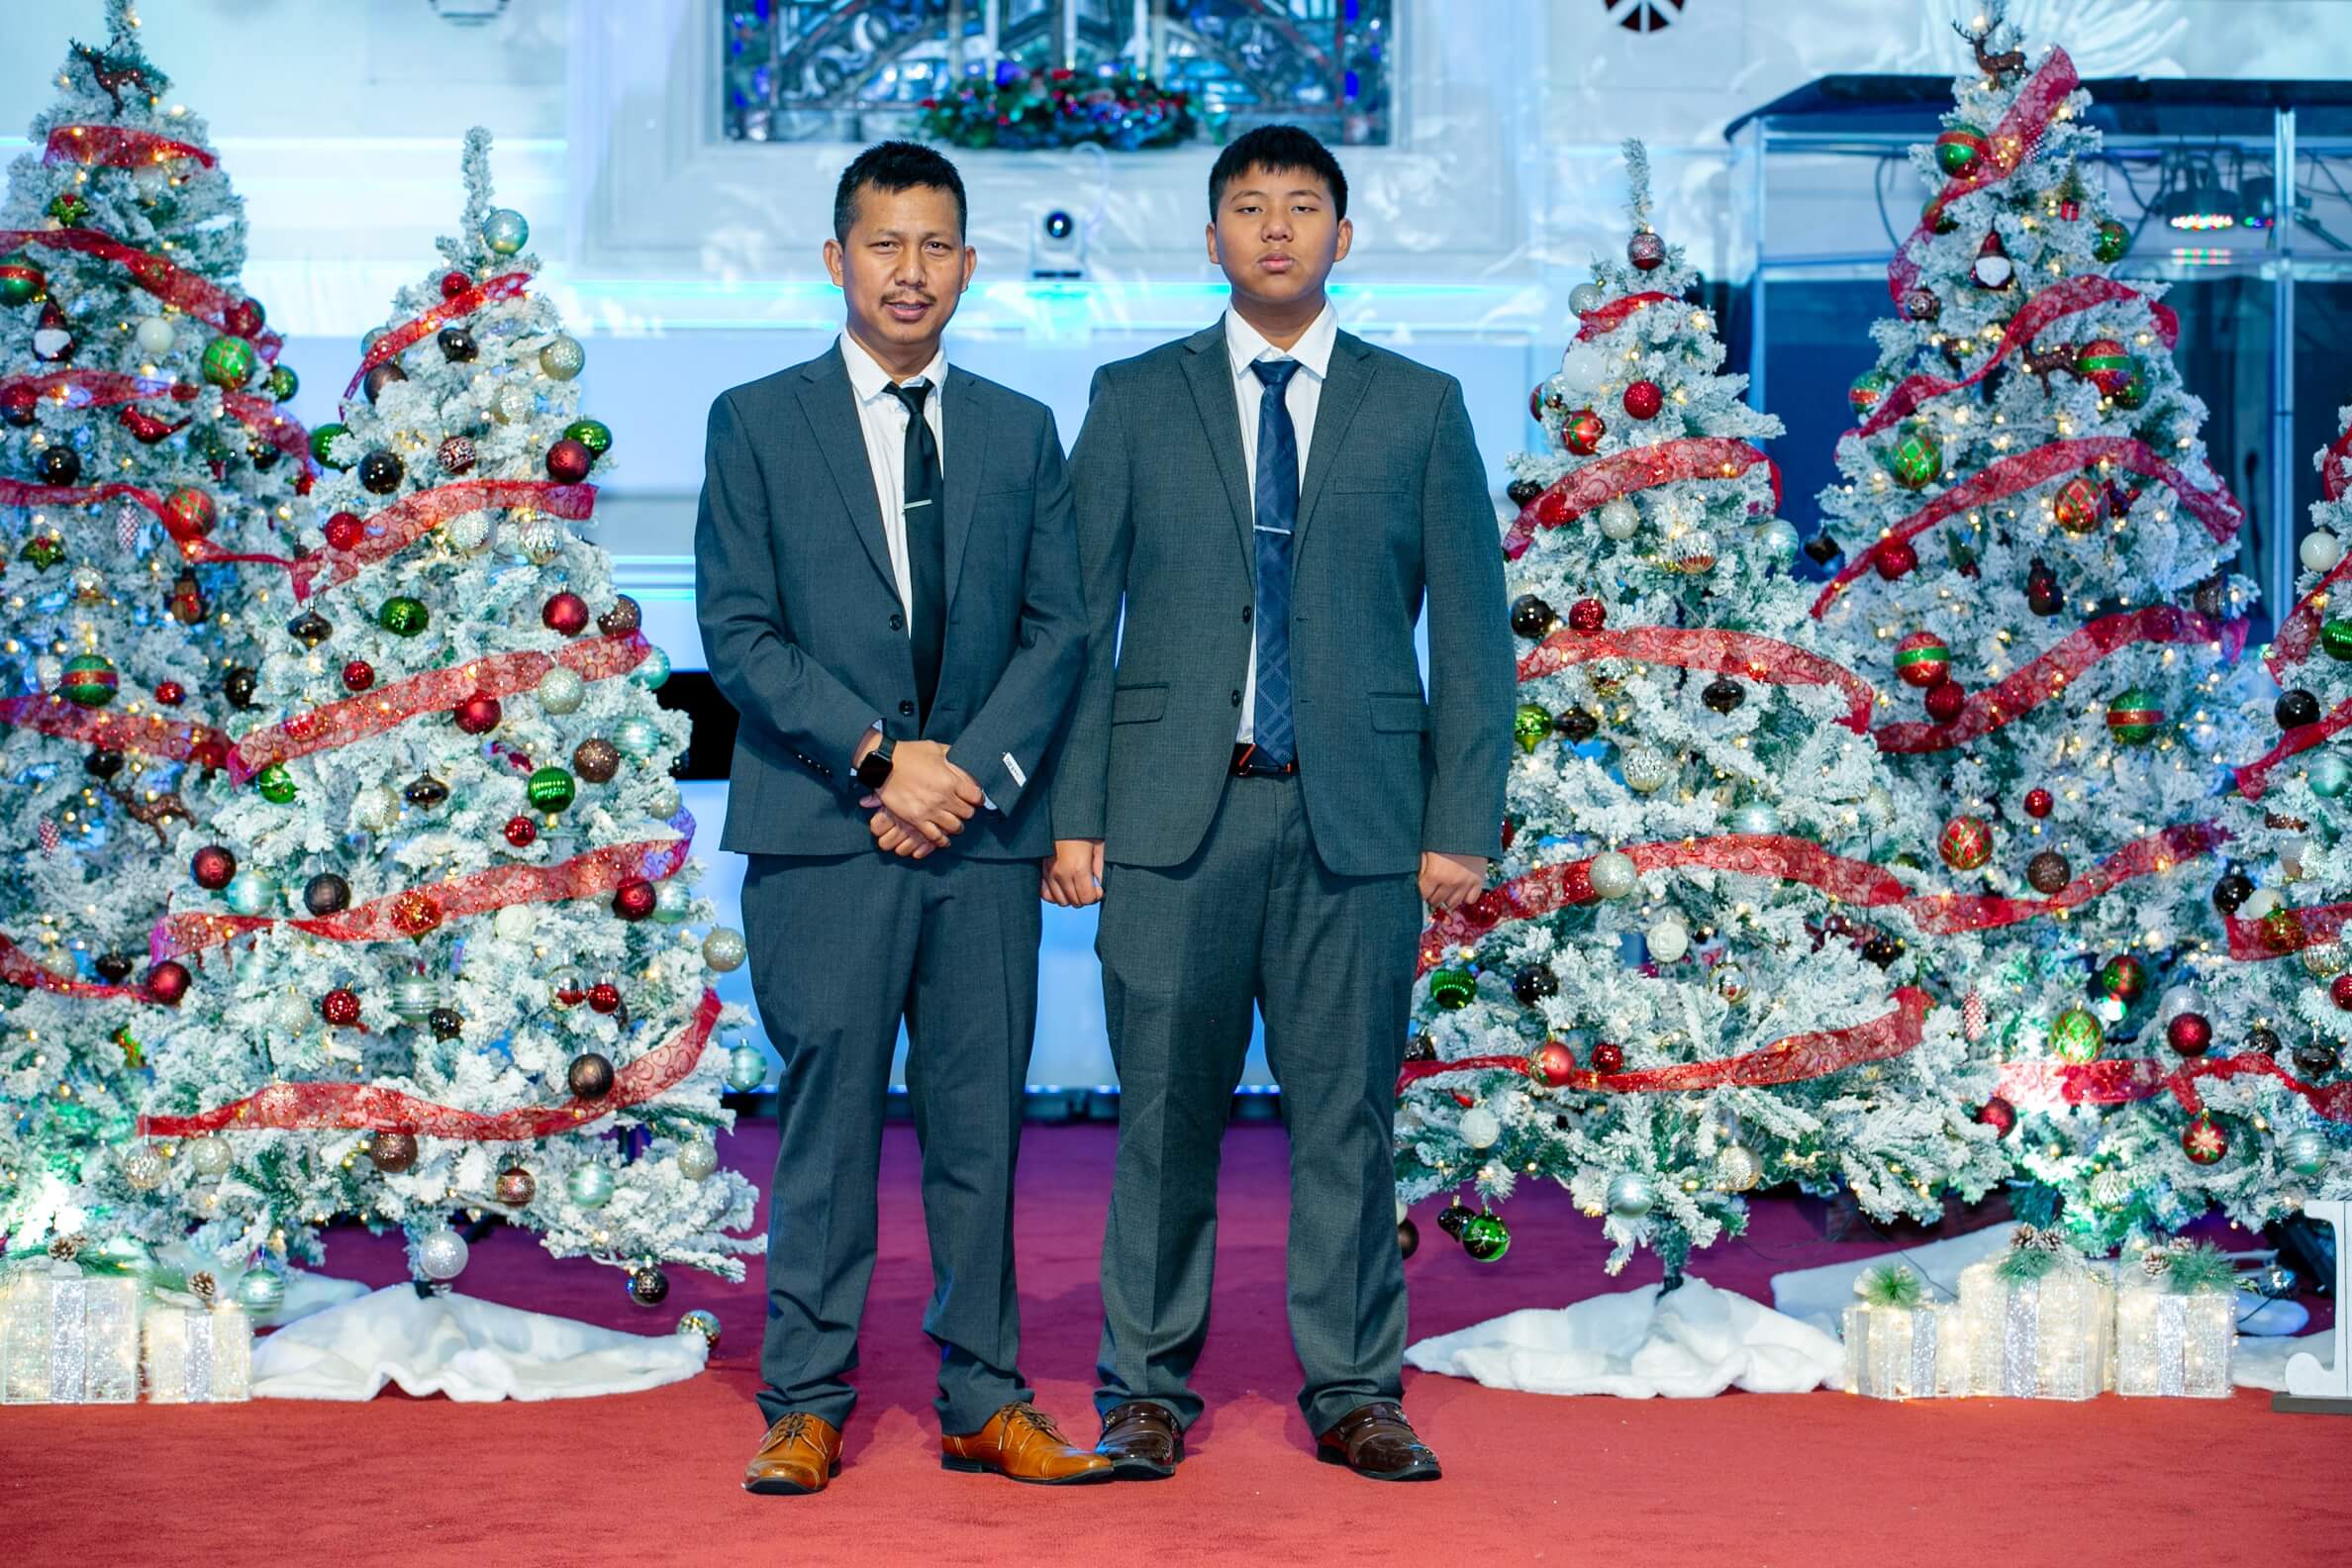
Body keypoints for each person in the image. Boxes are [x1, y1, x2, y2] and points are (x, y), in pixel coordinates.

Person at [1045, 124, 1513, 1482]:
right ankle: (1144, 1392)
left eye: (1302, 207)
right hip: (1168, 820)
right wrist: (1075, 814)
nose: (1275, 229)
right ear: (1212, 240)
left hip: (1356, 823)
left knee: (1349, 1122)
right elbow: (1074, 622)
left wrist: (1460, 822)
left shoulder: (1418, 405)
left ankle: (1358, 1390)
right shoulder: (1135, 397)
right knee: (1159, 1120)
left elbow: (1472, 631)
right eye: (1248, 208)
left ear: (1341, 237)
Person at [696, 140, 1104, 1495]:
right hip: (824, 834)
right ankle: (806, 1401)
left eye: (935, 246)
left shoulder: (1019, 429)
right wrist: (881, 762)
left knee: (981, 1130)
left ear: (969, 267)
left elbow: (1058, 630)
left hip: (978, 841)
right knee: (827, 1129)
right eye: (885, 244)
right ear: (838, 260)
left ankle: (985, 1398)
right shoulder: (758, 421)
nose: (909, 270)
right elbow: (739, 632)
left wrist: (959, 777)